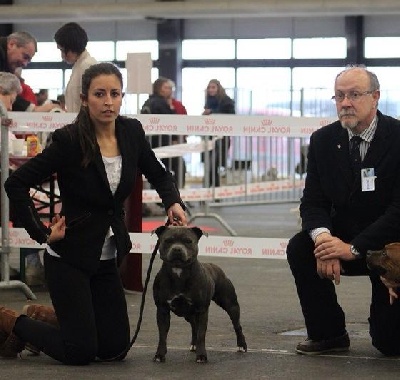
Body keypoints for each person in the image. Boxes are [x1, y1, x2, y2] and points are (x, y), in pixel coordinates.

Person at [1, 62, 187, 364]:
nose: (108, 101)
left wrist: (172, 201)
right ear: (85, 99)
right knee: (80, 352)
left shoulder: (131, 132)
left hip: (105, 260)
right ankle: (12, 322)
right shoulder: (68, 140)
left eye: (115, 94)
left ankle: (49, 317)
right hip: (69, 259)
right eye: (99, 94)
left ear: (122, 97)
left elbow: (158, 172)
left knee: (114, 350)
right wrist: (42, 233)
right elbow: (15, 183)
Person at [286, 65, 400, 357]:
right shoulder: (323, 140)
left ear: (375, 97)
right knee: (302, 246)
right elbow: (313, 202)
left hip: (390, 247)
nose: (346, 102)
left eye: (354, 95)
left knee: (390, 345)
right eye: (339, 96)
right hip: (341, 240)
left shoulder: (398, 137)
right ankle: (328, 333)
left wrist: (354, 248)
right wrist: (324, 241)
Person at [54, 22, 97, 113]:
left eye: (62, 50)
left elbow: (92, 103)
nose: (62, 56)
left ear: (72, 47)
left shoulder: (87, 66)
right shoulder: (79, 66)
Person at [202, 79, 235, 187]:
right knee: (210, 165)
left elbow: (229, 117)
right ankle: (212, 191)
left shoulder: (227, 101)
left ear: (218, 88)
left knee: (213, 165)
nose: (210, 90)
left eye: (213, 87)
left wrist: (212, 113)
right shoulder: (208, 102)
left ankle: (210, 189)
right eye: (209, 87)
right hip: (209, 137)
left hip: (221, 138)